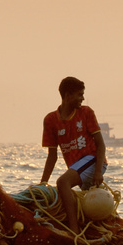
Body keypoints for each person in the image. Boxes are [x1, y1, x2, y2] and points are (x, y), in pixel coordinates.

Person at [40, 76, 107, 233]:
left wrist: (98, 171)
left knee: (63, 183)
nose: (82, 98)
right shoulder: (50, 120)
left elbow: (100, 144)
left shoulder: (86, 113)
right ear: (68, 95)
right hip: (77, 168)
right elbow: (52, 156)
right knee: (84, 204)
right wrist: (42, 184)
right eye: (80, 94)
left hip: (93, 160)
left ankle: (73, 230)